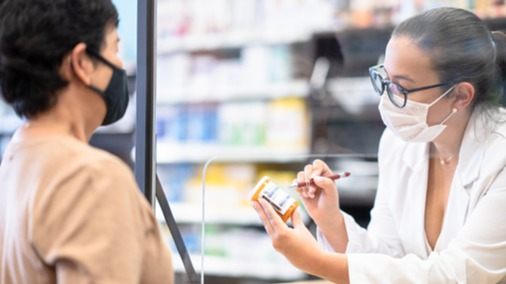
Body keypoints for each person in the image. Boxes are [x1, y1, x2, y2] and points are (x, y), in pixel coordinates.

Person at [251, 7, 506, 284]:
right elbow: (390, 259)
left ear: (459, 95)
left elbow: (455, 276)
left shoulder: (499, 158)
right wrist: (331, 220)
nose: (385, 100)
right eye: (384, 81)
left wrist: (317, 262)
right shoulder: (399, 144)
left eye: (401, 88)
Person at [0, 0, 174, 283]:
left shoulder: (16, 160)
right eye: (114, 49)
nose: (120, 65)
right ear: (82, 63)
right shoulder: (90, 179)